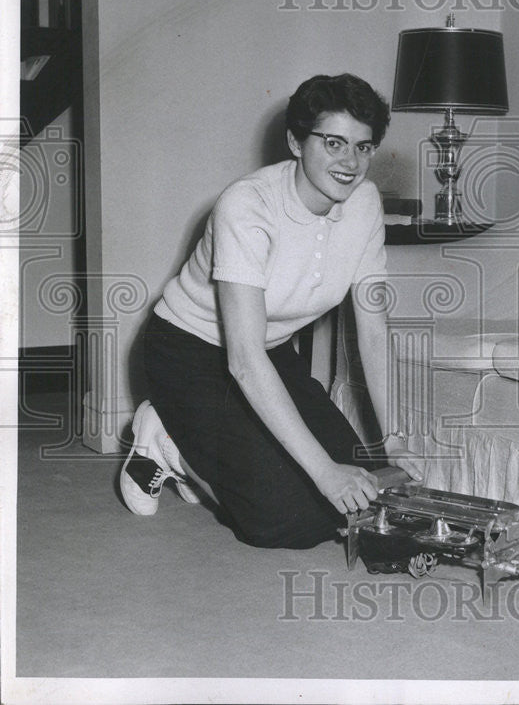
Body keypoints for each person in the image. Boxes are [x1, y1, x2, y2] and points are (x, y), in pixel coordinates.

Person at [120, 73, 422, 549]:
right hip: (187, 353)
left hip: (270, 352)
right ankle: (167, 438)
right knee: (286, 520)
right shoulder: (247, 205)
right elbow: (242, 360)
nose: (350, 163)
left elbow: (374, 331)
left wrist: (394, 436)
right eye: (334, 143)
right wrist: (323, 472)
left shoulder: (364, 205)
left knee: (361, 493)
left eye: (364, 147)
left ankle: (193, 437)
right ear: (295, 142)